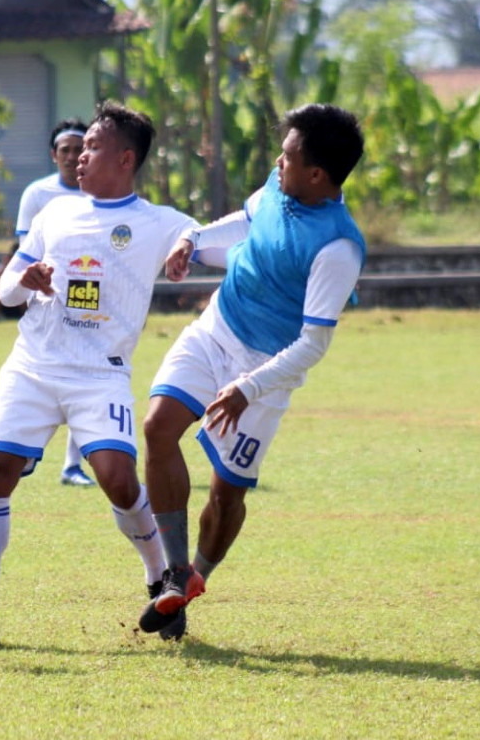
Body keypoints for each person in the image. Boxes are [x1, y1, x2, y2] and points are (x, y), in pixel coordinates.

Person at [0, 101, 201, 650]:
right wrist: (26, 278)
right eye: (79, 148)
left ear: (126, 159)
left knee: (117, 478)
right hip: (33, 366)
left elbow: (197, 232)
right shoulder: (53, 213)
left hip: (99, 374)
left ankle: (161, 580)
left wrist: (186, 246)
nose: (80, 157)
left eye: (93, 148)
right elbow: (9, 288)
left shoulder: (155, 221)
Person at [137, 103, 367, 638]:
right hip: (216, 329)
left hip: (266, 369)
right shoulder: (281, 185)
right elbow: (247, 217)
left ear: (317, 174)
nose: (277, 162)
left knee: (226, 493)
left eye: (287, 156)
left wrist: (248, 387)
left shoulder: (337, 247)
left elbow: (313, 344)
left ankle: (197, 575)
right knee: (157, 428)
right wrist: (193, 239)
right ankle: (173, 574)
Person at [0, 118, 98, 488]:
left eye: (78, 148)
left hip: (88, 291)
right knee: (44, 374)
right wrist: (30, 287)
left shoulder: (100, 192)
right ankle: (21, 450)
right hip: (44, 298)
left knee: (88, 370)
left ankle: (72, 465)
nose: (71, 156)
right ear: (54, 155)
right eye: (64, 149)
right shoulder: (38, 194)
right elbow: (26, 249)